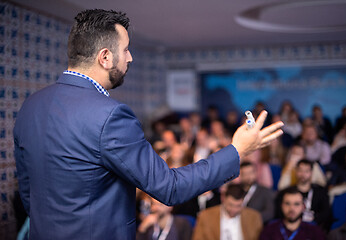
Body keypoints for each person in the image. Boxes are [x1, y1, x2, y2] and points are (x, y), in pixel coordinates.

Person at [13, 9, 284, 240]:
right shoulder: (110, 115)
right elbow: (169, 188)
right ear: (105, 57)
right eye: (126, 49)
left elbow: (29, 192)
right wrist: (236, 150)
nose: (130, 58)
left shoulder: (30, 106)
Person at [192, 184, 263, 240]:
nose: (234, 209)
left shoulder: (254, 217)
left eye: (238, 206)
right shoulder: (206, 216)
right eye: (230, 205)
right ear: (223, 199)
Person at [276, 160, 330, 230]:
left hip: (315, 228)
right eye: (300, 170)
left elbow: (326, 213)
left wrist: (314, 220)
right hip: (291, 227)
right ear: (296, 172)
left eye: (306, 171)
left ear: (311, 173)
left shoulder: (321, 192)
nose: (303, 174)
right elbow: (280, 212)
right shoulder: (287, 192)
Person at [260, 187, 326, 240]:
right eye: (287, 204)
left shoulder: (314, 231)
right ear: (281, 205)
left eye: (296, 204)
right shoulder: (269, 229)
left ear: (303, 207)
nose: (291, 208)